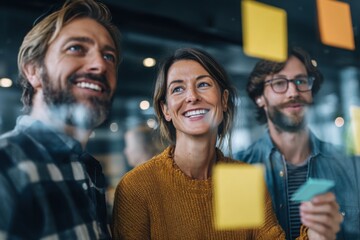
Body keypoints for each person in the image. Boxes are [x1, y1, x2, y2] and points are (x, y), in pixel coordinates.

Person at [112, 47, 336, 239]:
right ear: (166, 109)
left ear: (224, 100)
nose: (191, 96)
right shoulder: (136, 188)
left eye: (203, 84)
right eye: (177, 88)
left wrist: (317, 233)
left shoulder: (244, 181)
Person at [0, 0, 121, 239]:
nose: (99, 64)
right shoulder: (6, 165)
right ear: (33, 70)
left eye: (109, 56)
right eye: (76, 48)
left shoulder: (88, 169)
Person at [236, 47, 357, 240]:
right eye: (279, 83)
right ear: (260, 97)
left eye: (301, 81)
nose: (293, 92)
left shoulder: (353, 166)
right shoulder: (238, 169)